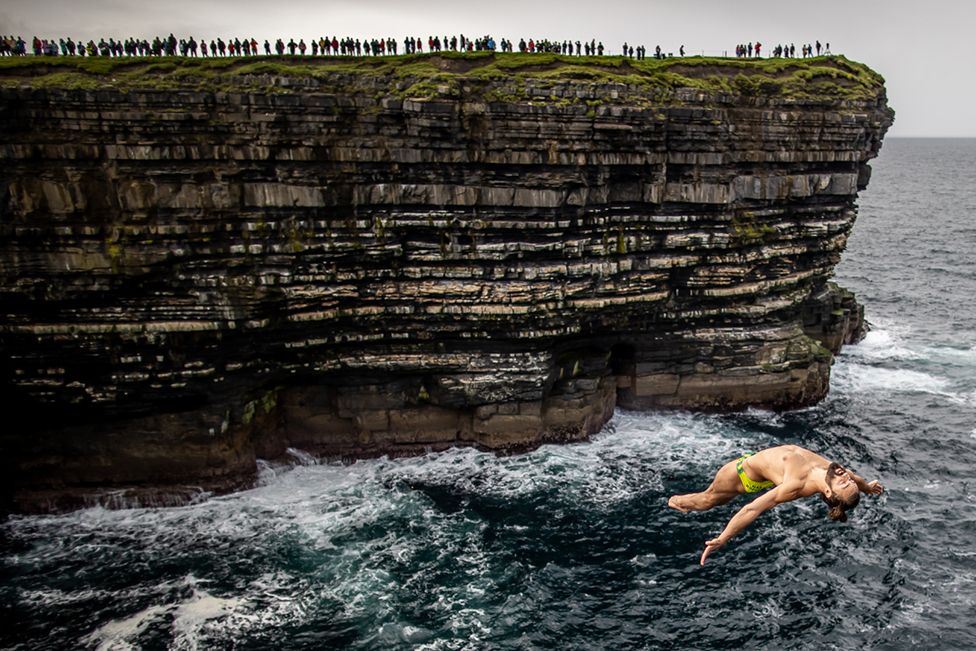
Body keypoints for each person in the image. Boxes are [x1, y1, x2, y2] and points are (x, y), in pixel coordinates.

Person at [668, 445, 883, 565]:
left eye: (844, 484)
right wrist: (866, 488)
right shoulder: (834, 471)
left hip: (741, 475)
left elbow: (753, 508)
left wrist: (723, 538)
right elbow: (856, 478)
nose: (846, 477)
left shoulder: (796, 485)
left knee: (708, 500)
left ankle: (676, 501)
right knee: (712, 500)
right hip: (763, 465)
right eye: (848, 481)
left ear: (828, 491)